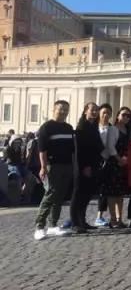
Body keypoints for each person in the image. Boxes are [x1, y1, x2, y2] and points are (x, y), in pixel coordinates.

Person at [34, 100, 74, 240]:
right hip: (52, 165)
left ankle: (52, 225)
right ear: (54, 109)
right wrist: (43, 167)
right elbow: (42, 150)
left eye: (66, 109)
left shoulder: (69, 128)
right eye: (60, 109)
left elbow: (72, 149)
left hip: (67, 165)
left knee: (59, 196)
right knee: (50, 194)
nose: (63, 112)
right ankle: (39, 226)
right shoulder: (46, 127)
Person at [69, 102, 103, 233]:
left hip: (93, 164)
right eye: (92, 110)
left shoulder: (94, 127)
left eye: (96, 110)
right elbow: (82, 150)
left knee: (87, 194)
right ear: (85, 111)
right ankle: (74, 222)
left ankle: (82, 220)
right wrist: (86, 166)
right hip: (82, 165)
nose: (94, 112)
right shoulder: (81, 128)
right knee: (77, 195)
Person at [99, 105, 130, 228]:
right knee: (112, 193)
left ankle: (119, 218)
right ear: (117, 116)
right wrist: (119, 159)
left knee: (120, 193)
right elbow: (110, 146)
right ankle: (113, 219)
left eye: (128, 115)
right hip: (114, 163)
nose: (126, 117)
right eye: (123, 115)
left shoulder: (127, 129)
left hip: (123, 163)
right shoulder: (113, 129)